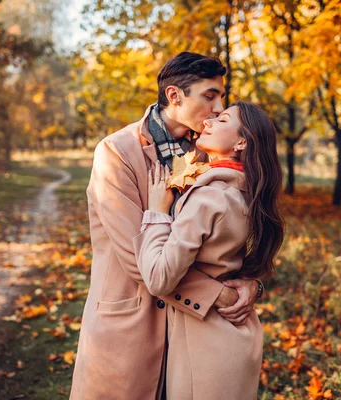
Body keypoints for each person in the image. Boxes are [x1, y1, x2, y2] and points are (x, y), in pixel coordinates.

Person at [69, 52, 262, 400]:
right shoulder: (116, 153)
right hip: (131, 325)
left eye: (221, 96)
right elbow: (136, 258)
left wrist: (252, 283)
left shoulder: (207, 151)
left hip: (191, 335)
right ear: (175, 96)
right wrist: (219, 294)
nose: (219, 107)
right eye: (210, 95)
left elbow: (229, 236)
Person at [133, 101, 286, 400]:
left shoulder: (208, 198)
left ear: (241, 142)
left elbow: (159, 279)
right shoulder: (244, 192)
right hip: (233, 339)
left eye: (222, 119)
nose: (208, 122)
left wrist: (157, 213)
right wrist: (254, 285)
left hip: (205, 349)